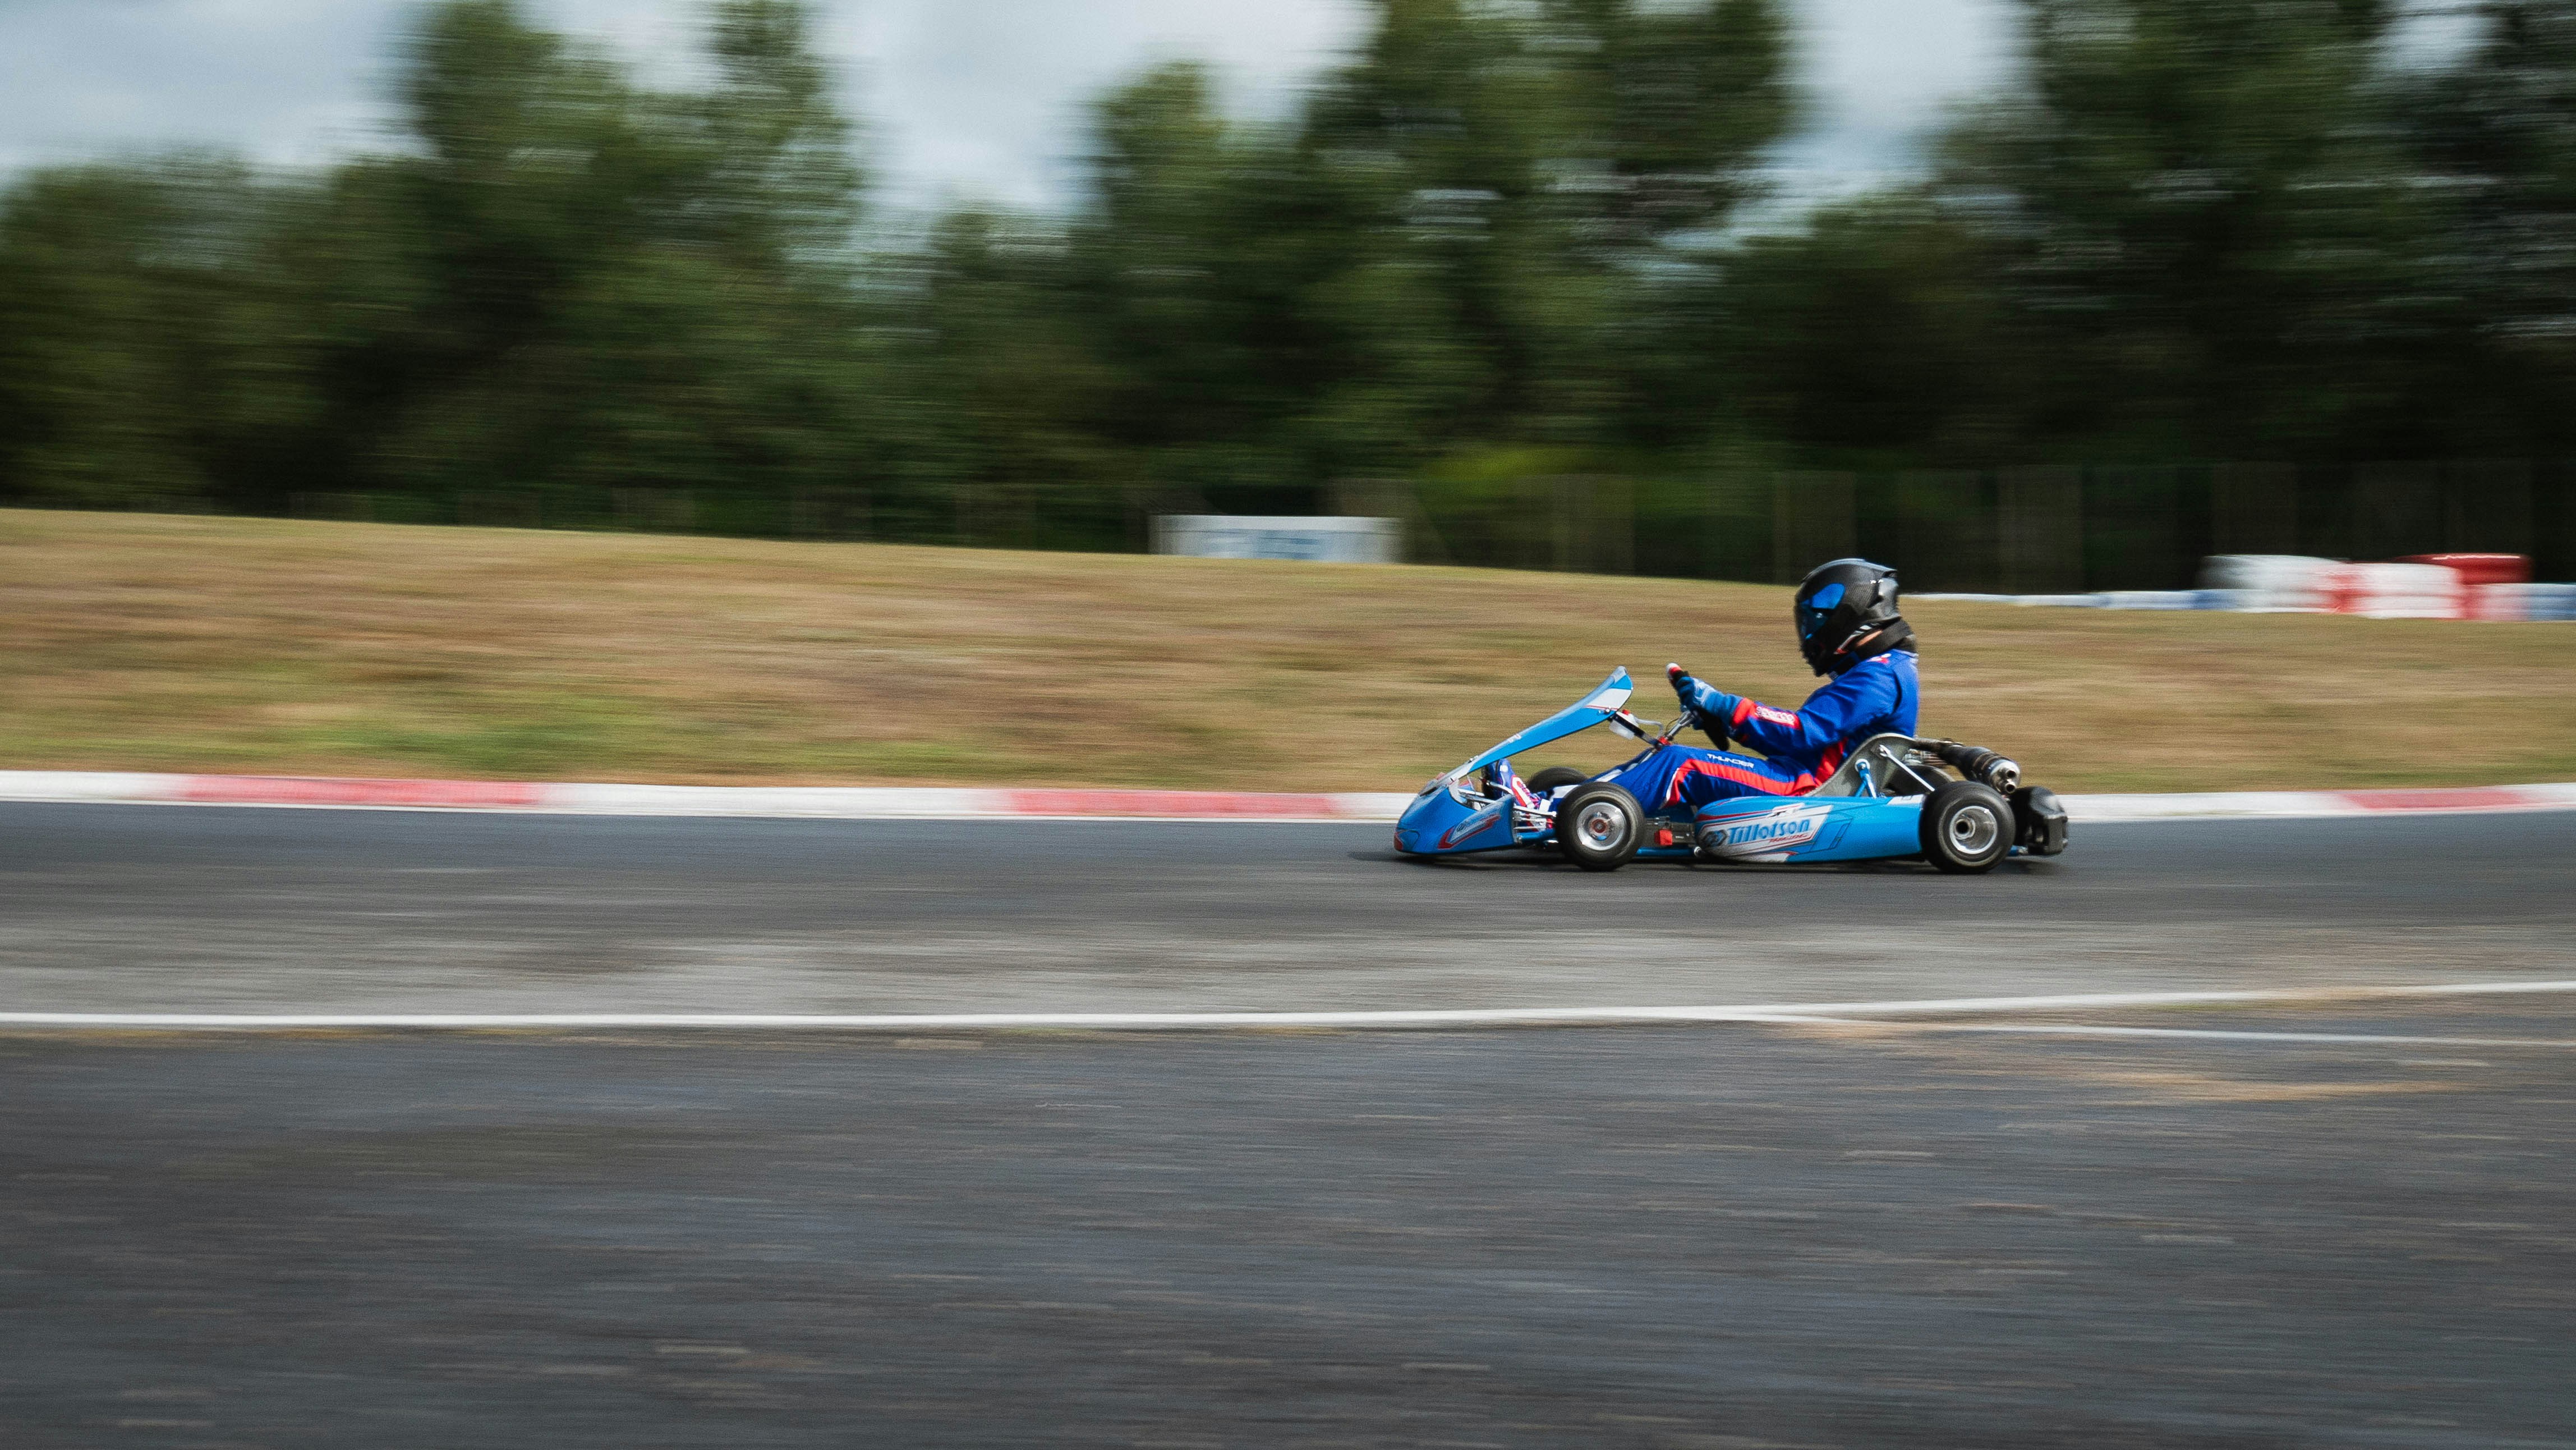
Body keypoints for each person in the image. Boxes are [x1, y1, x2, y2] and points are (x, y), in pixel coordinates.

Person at [1645, 558, 1920, 811]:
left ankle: (1604, 810)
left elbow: (1801, 732)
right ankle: (1610, 805)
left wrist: (1722, 704)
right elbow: (1799, 745)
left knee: (1677, 765)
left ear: (1849, 612)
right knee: (1668, 761)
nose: (1809, 631)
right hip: (1797, 776)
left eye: (1818, 617)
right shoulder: (1885, 670)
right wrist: (1726, 721)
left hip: (1807, 790)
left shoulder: (1879, 678)